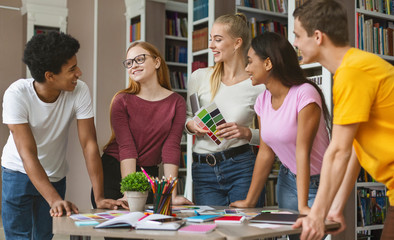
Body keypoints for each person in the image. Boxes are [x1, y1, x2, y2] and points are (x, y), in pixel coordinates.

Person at [1, 32, 126, 240]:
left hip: (55, 174)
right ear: (50, 76)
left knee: (44, 236)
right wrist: (54, 199)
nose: (79, 72)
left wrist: (100, 196)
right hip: (17, 173)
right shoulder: (16, 94)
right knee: (18, 237)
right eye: (72, 69)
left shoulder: (79, 90)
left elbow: (89, 144)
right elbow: (27, 153)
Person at [291, 1, 394, 240]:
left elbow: (338, 152)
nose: (295, 43)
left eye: (297, 36)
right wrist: (335, 208)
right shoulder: (354, 67)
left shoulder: (353, 72)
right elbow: (354, 149)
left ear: (317, 36)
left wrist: (317, 214)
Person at [230, 31, 331, 218]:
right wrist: (249, 201)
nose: (246, 68)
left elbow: (303, 151)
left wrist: (302, 206)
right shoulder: (262, 101)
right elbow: (265, 152)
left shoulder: (305, 94)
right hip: (287, 180)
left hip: (318, 183)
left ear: (268, 63)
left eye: (250, 61)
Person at [93, 41, 193, 211]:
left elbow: (171, 147)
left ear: (157, 62)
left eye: (139, 59)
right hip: (115, 171)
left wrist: (171, 194)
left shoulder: (177, 102)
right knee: (118, 232)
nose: (133, 66)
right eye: (129, 63)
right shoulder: (121, 100)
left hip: (149, 174)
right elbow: (127, 147)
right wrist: (128, 191)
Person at [185, 13, 265, 206]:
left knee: (244, 231)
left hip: (241, 168)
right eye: (211, 39)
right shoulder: (199, 77)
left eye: (218, 40)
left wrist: (246, 133)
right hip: (203, 170)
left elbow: (270, 136)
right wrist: (191, 125)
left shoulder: (258, 85)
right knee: (211, 232)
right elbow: (187, 118)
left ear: (237, 43)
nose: (211, 45)